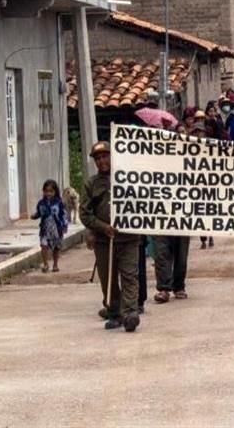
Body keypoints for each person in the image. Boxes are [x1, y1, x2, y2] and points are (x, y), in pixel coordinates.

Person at [81, 141, 141, 332]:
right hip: (104, 241)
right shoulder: (91, 184)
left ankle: (130, 313)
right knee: (109, 278)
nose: (102, 161)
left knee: (130, 275)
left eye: (105, 156)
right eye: (98, 158)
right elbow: (85, 213)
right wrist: (102, 227)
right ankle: (115, 312)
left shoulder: (129, 178)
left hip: (129, 238)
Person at [32, 179, 68, 273]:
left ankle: (55, 264)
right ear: (43, 191)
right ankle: (45, 264)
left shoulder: (59, 203)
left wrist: (64, 226)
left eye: (51, 191)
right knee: (44, 245)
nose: (48, 193)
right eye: (46, 191)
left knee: (56, 247)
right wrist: (35, 216)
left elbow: (63, 214)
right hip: (45, 228)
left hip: (56, 228)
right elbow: (39, 213)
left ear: (55, 192)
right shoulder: (41, 203)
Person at [153, 235, 190, 303]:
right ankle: (164, 288)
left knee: (181, 256)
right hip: (161, 228)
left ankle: (179, 286)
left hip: (182, 229)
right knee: (161, 253)